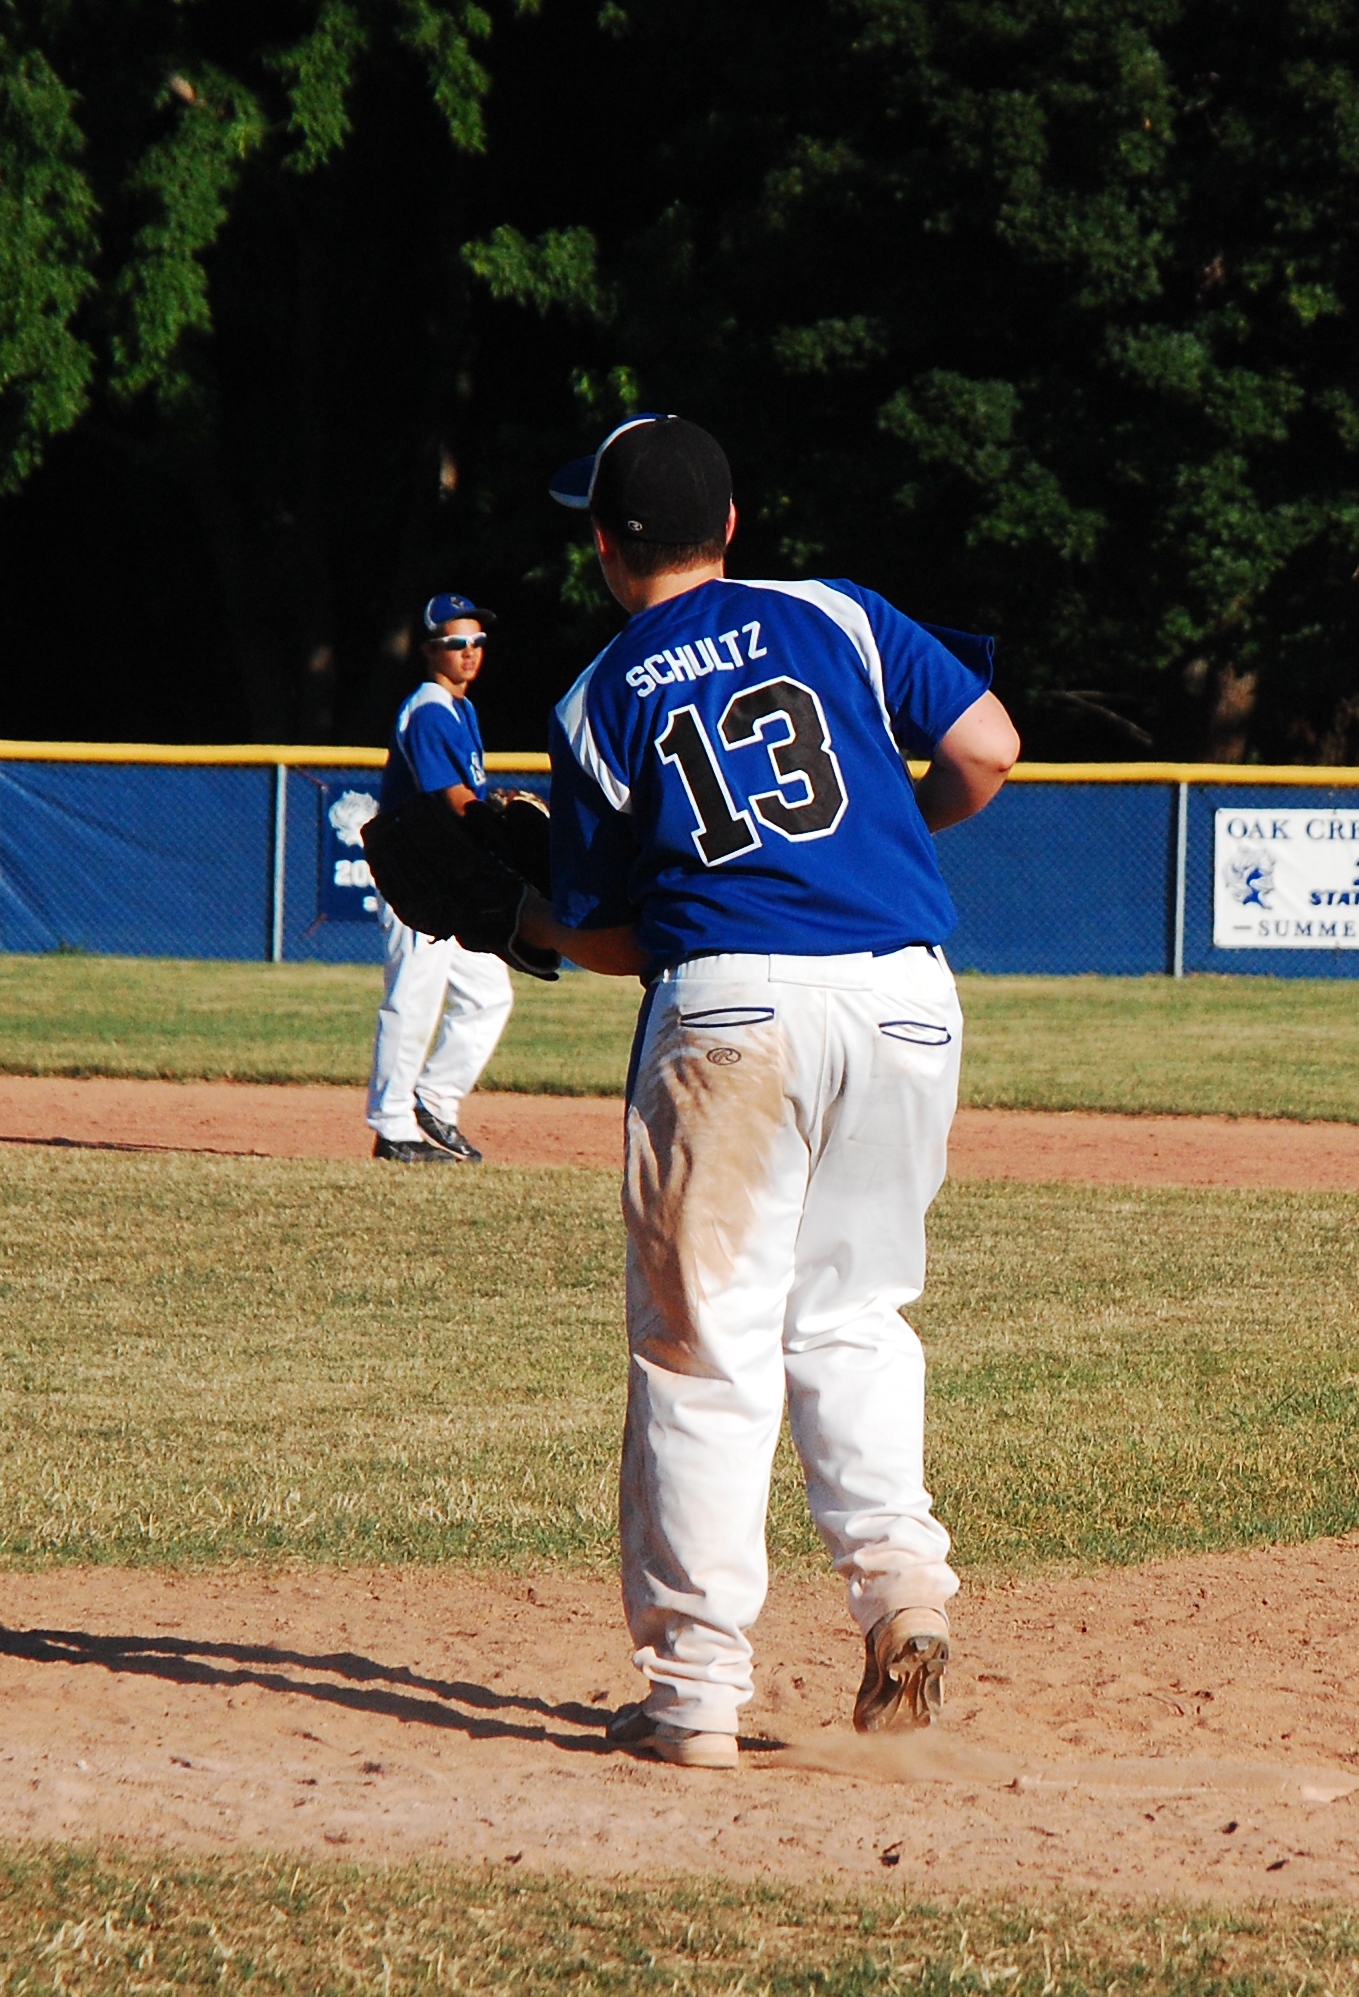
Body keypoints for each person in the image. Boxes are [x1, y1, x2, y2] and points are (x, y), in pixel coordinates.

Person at [510, 415, 1022, 1769]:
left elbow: (615, 934)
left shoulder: (596, 696)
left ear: (606, 547)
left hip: (734, 1011)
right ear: (732, 525)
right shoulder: (836, 612)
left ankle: (692, 1694)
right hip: (905, 998)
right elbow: (987, 748)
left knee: (706, 1351)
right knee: (853, 1313)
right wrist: (895, 826)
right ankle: (902, 1589)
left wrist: (518, 918)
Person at [366, 593, 516, 1165]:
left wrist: (493, 810)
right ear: (430, 650)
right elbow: (450, 798)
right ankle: (391, 1125)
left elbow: (467, 796)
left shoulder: (460, 708)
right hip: (414, 874)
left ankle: (434, 1099)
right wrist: (496, 822)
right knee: (413, 997)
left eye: (478, 642)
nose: (470, 652)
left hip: (447, 875)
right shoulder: (429, 710)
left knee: (488, 995)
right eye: (457, 643)